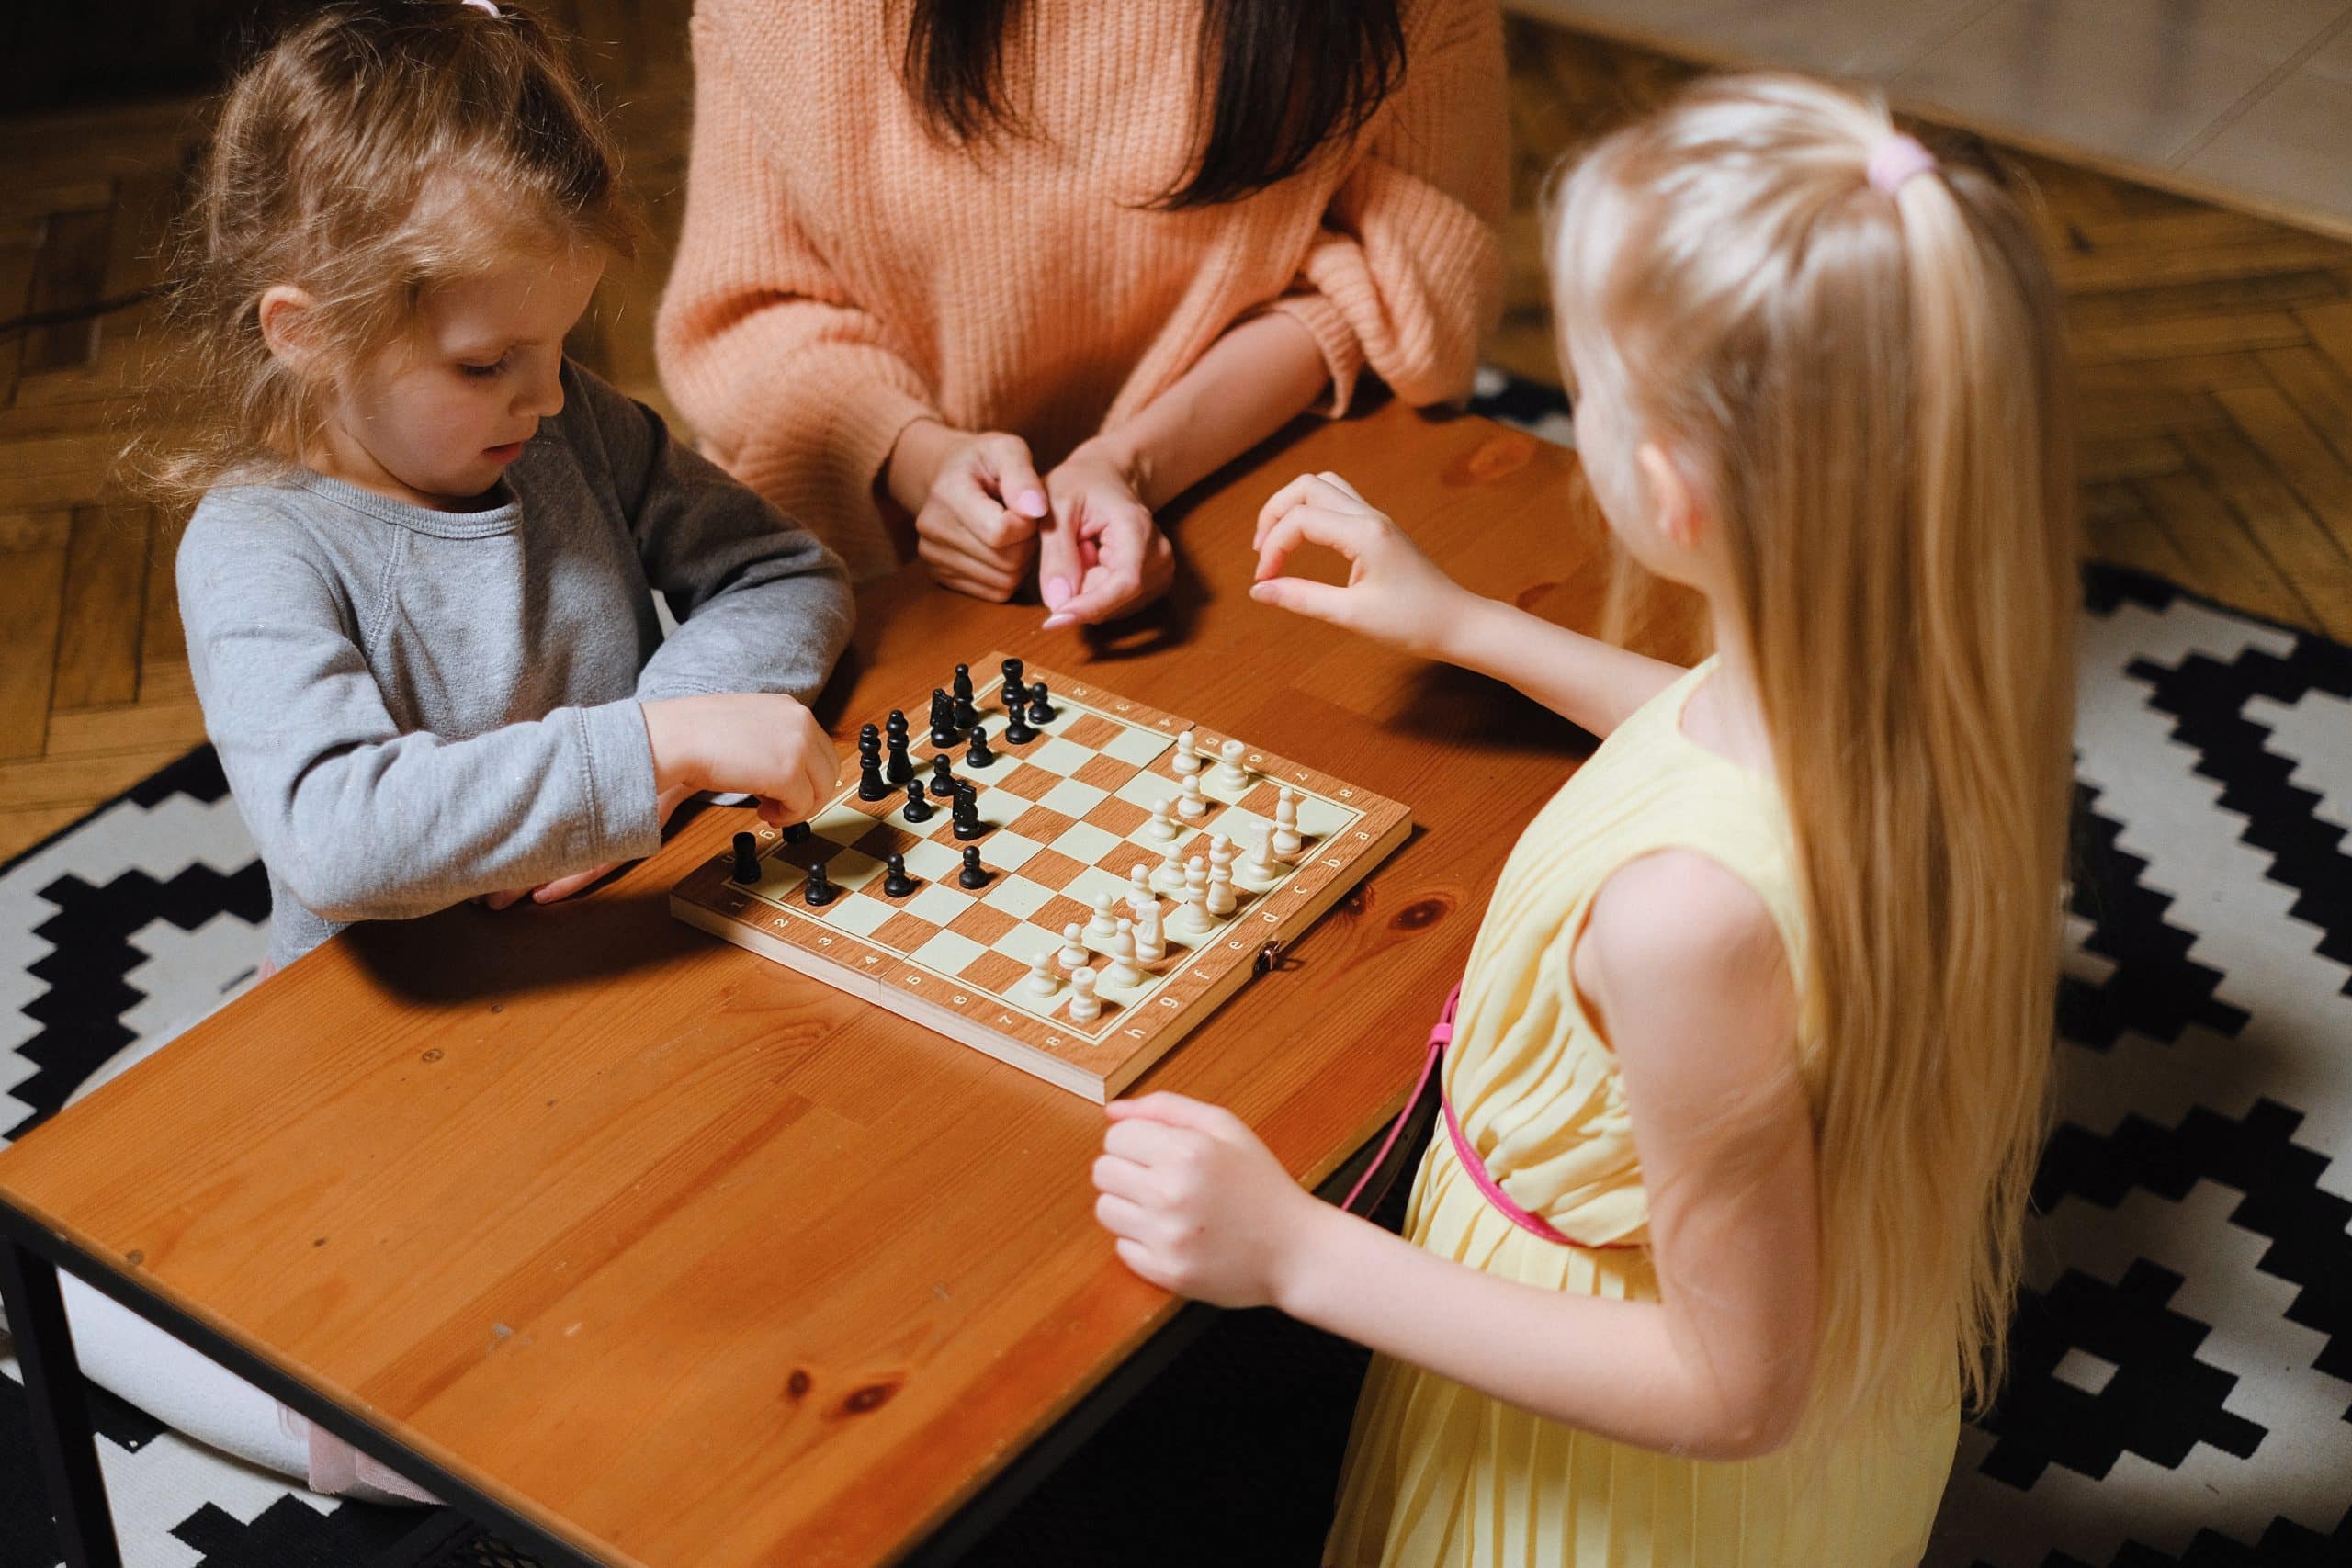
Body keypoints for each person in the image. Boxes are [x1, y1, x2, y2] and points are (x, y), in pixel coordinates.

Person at [1092, 74, 2076, 1565]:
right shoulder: (1934, 686)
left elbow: (1732, 1385)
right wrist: (1468, 624)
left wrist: (1292, 1251)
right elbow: (1699, 743)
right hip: (1842, 1415)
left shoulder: (1687, 923)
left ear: (1669, 489)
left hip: (1609, 1492)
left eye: (1592, 387)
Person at [74, 0, 853, 1497]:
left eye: (562, 345)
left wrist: (652, 770)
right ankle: (82, 1299)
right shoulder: (257, 547)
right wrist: (653, 746)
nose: (549, 397)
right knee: (458, 1448)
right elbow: (340, 835)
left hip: (615, 985)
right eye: (494, 361)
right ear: (307, 333)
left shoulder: (571, 430)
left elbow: (784, 572)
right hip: (393, 1041)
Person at [655, 0, 1505, 624]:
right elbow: (745, 320)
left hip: (1240, 501)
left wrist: (1131, 464)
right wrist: (923, 465)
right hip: (869, 566)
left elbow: (1413, 288)